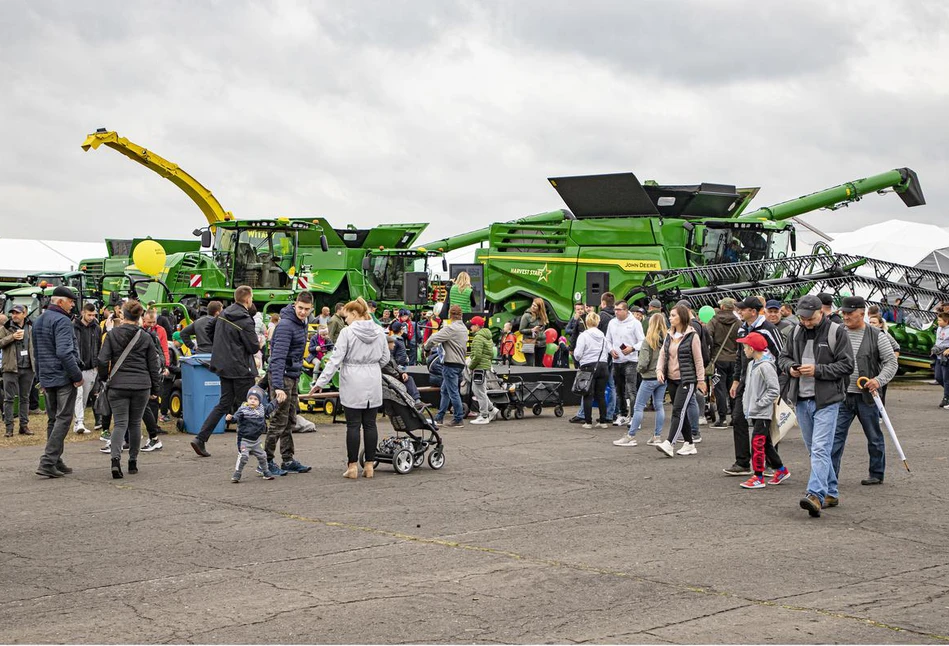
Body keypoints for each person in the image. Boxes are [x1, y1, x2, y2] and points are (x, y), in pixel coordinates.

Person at [778, 294, 854, 517]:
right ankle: (831, 491)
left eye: (810, 318)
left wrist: (818, 370)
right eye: (802, 318)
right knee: (815, 450)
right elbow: (782, 357)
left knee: (820, 449)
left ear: (821, 312)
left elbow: (847, 365)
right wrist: (791, 367)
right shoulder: (795, 331)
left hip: (828, 400)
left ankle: (815, 495)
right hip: (802, 399)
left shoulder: (836, 332)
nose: (806, 322)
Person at [312, 297, 389, 479]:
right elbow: (385, 358)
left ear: (354, 314)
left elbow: (335, 360)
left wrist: (320, 383)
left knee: (353, 425)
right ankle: (369, 465)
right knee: (370, 424)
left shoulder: (347, 333)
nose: (345, 320)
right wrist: (372, 365)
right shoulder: (379, 331)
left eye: (346, 316)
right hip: (373, 377)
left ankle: (352, 465)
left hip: (353, 378)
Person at [830, 296, 899, 495]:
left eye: (849, 313)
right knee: (835, 438)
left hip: (867, 396)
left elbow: (891, 362)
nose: (845, 316)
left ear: (862, 313)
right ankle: (830, 475)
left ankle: (877, 472)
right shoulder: (837, 333)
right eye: (843, 312)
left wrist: (878, 380)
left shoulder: (876, 335)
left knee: (874, 436)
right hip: (842, 395)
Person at [190, 286, 261, 458]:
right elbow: (253, 347)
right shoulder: (245, 319)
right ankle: (248, 444)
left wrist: (223, 345)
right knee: (251, 404)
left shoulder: (223, 313)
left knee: (224, 403)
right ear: (248, 299)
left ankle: (201, 438)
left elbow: (208, 329)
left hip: (224, 365)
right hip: (241, 367)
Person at [98, 300, 161, 479]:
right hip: (142, 385)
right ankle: (132, 461)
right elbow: (153, 365)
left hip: (118, 384)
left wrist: (104, 379)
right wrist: (156, 389)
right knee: (135, 423)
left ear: (122, 315)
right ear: (140, 317)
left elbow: (102, 360)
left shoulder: (112, 335)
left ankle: (115, 460)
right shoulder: (146, 337)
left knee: (119, 424)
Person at [723, 296, 784, 477]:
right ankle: (742, 462)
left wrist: (776, 380)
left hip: (765, 383)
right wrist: (736, 380)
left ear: (753, 311)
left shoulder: (768, 329)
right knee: (738, 418)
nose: (740, 311)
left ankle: (771, 463)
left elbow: (781, 354)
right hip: (745, 380)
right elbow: (739, 357)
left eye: (743, 309)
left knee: (764, 424)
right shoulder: (743, 329)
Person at [33, 287, 84, 478]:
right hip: (63, 376)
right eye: (71, 302)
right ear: (61, 302)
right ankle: (47, 461)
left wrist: (40, 377)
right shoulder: (62, 321)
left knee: (53, 419)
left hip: (47, 375)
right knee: (63, 419)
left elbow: (36, 353)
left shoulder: (39, 320)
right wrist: (77, 375)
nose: (73, 305)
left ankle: (55, 460)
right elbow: (64, 352)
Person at [266, 292, 314, 475]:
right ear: (295, 305)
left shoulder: (303, 323)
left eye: (306, 309)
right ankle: (266, 461)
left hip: (292, 376)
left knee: (290, 419)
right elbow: (277, 357)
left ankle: (287, 459)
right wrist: (278, 386)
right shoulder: (286, 325)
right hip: (282, 376)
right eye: (300, 308)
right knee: (279, 420)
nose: (303, 312)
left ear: (311, 309)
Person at [735, 332, 790, 489]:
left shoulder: (766, 366)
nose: (744, 350)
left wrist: (759, 404)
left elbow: (774, 389)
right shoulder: (753, 364)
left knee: (757, 443)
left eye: (745, 347)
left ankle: (758, 476)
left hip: (762, 412)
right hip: (755, 410)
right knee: (765, 444)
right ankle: (780, 469)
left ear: (752, 349)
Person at [655, 304, 706, 458]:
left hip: (687, 379)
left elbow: (698, 359)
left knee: (678, 410)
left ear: (682, 317)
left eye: (673, 315)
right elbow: (663, 355)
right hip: (671, 378)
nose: (670, 318)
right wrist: (659, 370)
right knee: (679, 411)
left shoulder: (692, 335)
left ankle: (670, 443)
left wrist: (701, 380)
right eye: (670, 315)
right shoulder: (669, 335)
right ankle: (689, 444)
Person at [614, 313, 667, 446]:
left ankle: (631, 436)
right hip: (662, 377)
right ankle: (657, 436)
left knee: (638, 407)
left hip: (649, 377)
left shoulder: (648, 340)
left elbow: (643, 362)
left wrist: (639, 370)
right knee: (659, 406)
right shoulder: (667, 339)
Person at [424, 305, 469, 428]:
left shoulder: (451, 328)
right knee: (445, 390)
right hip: (460, 363)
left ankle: (458, 418)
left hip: (450, 364)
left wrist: (426, 348)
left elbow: (433, 338)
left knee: (452, 392)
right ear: (461, 315)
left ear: (450, 315)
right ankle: (439, 417)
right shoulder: (463, 328)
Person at [605, 300, 645, 427]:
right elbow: (607, 340)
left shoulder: (635, 323)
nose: (616, 312)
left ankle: (634, 417)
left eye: (619, 310)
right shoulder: (612, 323)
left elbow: (642, 341)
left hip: (631, 361)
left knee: (631, 390)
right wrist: (611, 350)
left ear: (626, 310)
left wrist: (632, 348)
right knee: (618, 389)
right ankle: (622, 414)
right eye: (615, 309)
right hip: (617, 360)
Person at [227, 385, 276, 483]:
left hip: (256, 441)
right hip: (244, 440)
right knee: (244, 457)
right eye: (250, 398)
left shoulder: (261, 409)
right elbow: (236, 418)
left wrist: (277, 400)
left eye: (255, 399)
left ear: (260, 401)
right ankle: (237, 473)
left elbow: (270, 407)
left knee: (263, 456)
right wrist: (231, 418)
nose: (252, 401)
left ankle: (266, 472)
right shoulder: (243, 410)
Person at [1, 304, 35, 436]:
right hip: (10, 368)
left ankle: (24, 425)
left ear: (24, 314)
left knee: (25, 398)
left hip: (27, 367)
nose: (14, 315)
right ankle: (9, 428)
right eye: (13, 313)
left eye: (17, 313)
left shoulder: (31, 327)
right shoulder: (6, 328)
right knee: (9, 399)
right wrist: (12, 337)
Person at [707, 297, 740, 429]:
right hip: (734, 360)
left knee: (719, 389)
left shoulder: (714, 321)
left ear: (721, 307)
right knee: (733, 388)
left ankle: (722, 419)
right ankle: (734, 417)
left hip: (718, 359)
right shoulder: (738, 322)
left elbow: (708, 338)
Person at [572, 312, 610, 429]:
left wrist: (579, 358)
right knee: (601, 395)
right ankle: (603, 421)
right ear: (598, 322)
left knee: (587, 394)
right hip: (603, 365)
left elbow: (577, 354)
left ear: (587, 322)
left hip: (588, 366)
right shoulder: (603, 336)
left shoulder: (584, 335)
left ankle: (588, 421)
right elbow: (607, 350)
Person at [72, 303, 101, 434]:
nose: (91, 317)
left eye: (93, 315)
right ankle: (79, 421)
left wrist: (97, 365)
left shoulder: (97, 328)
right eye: (89, 315)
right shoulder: (73, 326)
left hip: (91, 367)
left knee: (84, 396)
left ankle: (79, 420)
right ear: (83, 312)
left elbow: (99, 346)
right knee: (78, 395)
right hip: (77, 366)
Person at [468, 316, 499, 425]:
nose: (470, 327)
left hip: (479, 367)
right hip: (484, 367)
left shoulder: (478, 338)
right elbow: (489, 354)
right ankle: (492, 410)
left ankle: (484, 416)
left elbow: (476, 356)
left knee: (479, 392)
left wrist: (470, 366)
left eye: (472, 325)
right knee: (479, 390)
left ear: (477, 326)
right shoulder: (488, 337)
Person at [383, 337, 424, 408]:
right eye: (392, 343)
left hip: (393, 378)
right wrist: (399, 376)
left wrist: (402, 373)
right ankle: (416, 401)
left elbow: (396, 366)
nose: (394, 345)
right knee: (409, 380)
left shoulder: (389, 354)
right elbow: (387, 370)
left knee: (409, 378)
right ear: (387, 344)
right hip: (389, 380)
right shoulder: (384, 356)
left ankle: (416, 401)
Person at [519, 298, 549, 368]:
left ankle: (538, 379)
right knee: (530, 366)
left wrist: (541, 331)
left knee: (539, 365)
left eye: (535, 306)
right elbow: (521, 330)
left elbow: (545, 328)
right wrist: (531, 330)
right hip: (529, 343)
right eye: (532, 304)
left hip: (541, 343)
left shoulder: (543, 316)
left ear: (540, 308)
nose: (532, 307)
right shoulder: (526, 316)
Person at [931, 311, 949, 409]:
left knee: (946, 379)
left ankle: (946, 398)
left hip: (946, 357)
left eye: (940, 320)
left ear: (946, 321)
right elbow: (938, 341)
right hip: (938, 356)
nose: (938, 322)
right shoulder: (939, 329)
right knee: (938, 377)